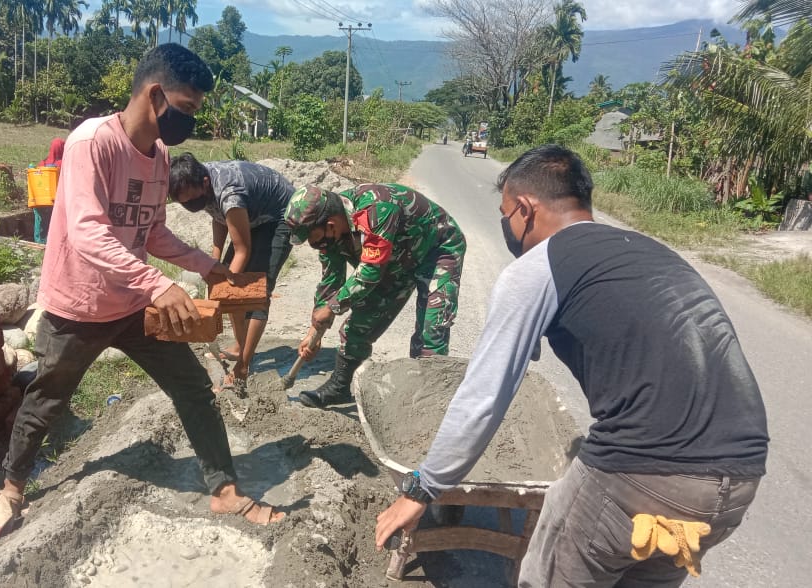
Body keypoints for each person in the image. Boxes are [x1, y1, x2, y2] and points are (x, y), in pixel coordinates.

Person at [374, 145, 769, 586]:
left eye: (505, 215)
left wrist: (424, 487)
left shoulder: (539, 268)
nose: (506, 226)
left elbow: (484, 395)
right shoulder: (649, 253)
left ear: (524, 209)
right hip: (734, 485)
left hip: (638, 475)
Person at [0, 43, 284, 526]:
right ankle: (11, 485)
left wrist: (204, 266)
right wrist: (157, 284)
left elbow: (151, 231)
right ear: (155, 96)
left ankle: (224, 489)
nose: (189, 120)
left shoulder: (158, 158)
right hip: (79, 306)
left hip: (132, 305)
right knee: (49, 396)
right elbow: (87, 230)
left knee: (193, 386)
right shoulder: (92, 143)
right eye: (186, 108)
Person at [284, 183, 466, 409]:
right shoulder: (329, 236)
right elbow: (331, 282)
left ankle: (428, 405)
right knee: (361, 322)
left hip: (436, 251)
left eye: (312, 237)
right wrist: (315, 331)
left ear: (330, 224)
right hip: (393, 262)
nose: (313, 245)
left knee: (431, 330)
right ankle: (340, 386)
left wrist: (331, 308)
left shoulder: (377, 208)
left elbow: (369, 273)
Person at [169, 153, 295, 393]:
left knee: (255, 292)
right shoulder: (202, 182)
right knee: (228, 287)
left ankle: (243, 367)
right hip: (253, 213)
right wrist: (214, 262)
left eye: (191, 200)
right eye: (184, 203)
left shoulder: (230, 193)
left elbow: (243, 249)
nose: (189, 205)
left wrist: (224, 289)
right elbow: (219, 216)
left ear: (204, 184)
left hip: (279, 216)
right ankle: (240, 345)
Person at [32, 138, 65, 244]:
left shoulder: (42, 163)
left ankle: (39, 243)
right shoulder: (63, 164)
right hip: (56, 201)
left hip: (41, 199)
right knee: (55, 225)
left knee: (40, 222)